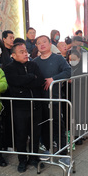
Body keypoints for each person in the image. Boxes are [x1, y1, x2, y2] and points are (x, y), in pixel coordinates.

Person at [4, 43, 45, 172]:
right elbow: (14, 82)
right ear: (13, 55)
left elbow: (40, 81)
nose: (25, 53)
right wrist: (31, 77)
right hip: (20, 108)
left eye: (26, 51)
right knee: (21, 135)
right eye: (21, 52)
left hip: (36, 105)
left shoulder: (33, 65)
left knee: (35, 133)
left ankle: (34, 157)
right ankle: (22, 160)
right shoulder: (9, 68)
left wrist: (26, 81)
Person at [33, 35, 71, 165]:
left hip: (55, 99)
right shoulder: (35, 62)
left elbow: (68, 71)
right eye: (39, 43)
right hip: (40, 100)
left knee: (57, 124)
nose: (42, 44)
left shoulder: (58, 58)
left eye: (44, 42)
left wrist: (53, 79)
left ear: (50, 44)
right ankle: (47, 149)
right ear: (36, 46)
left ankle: (63, 153)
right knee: (43, 125)